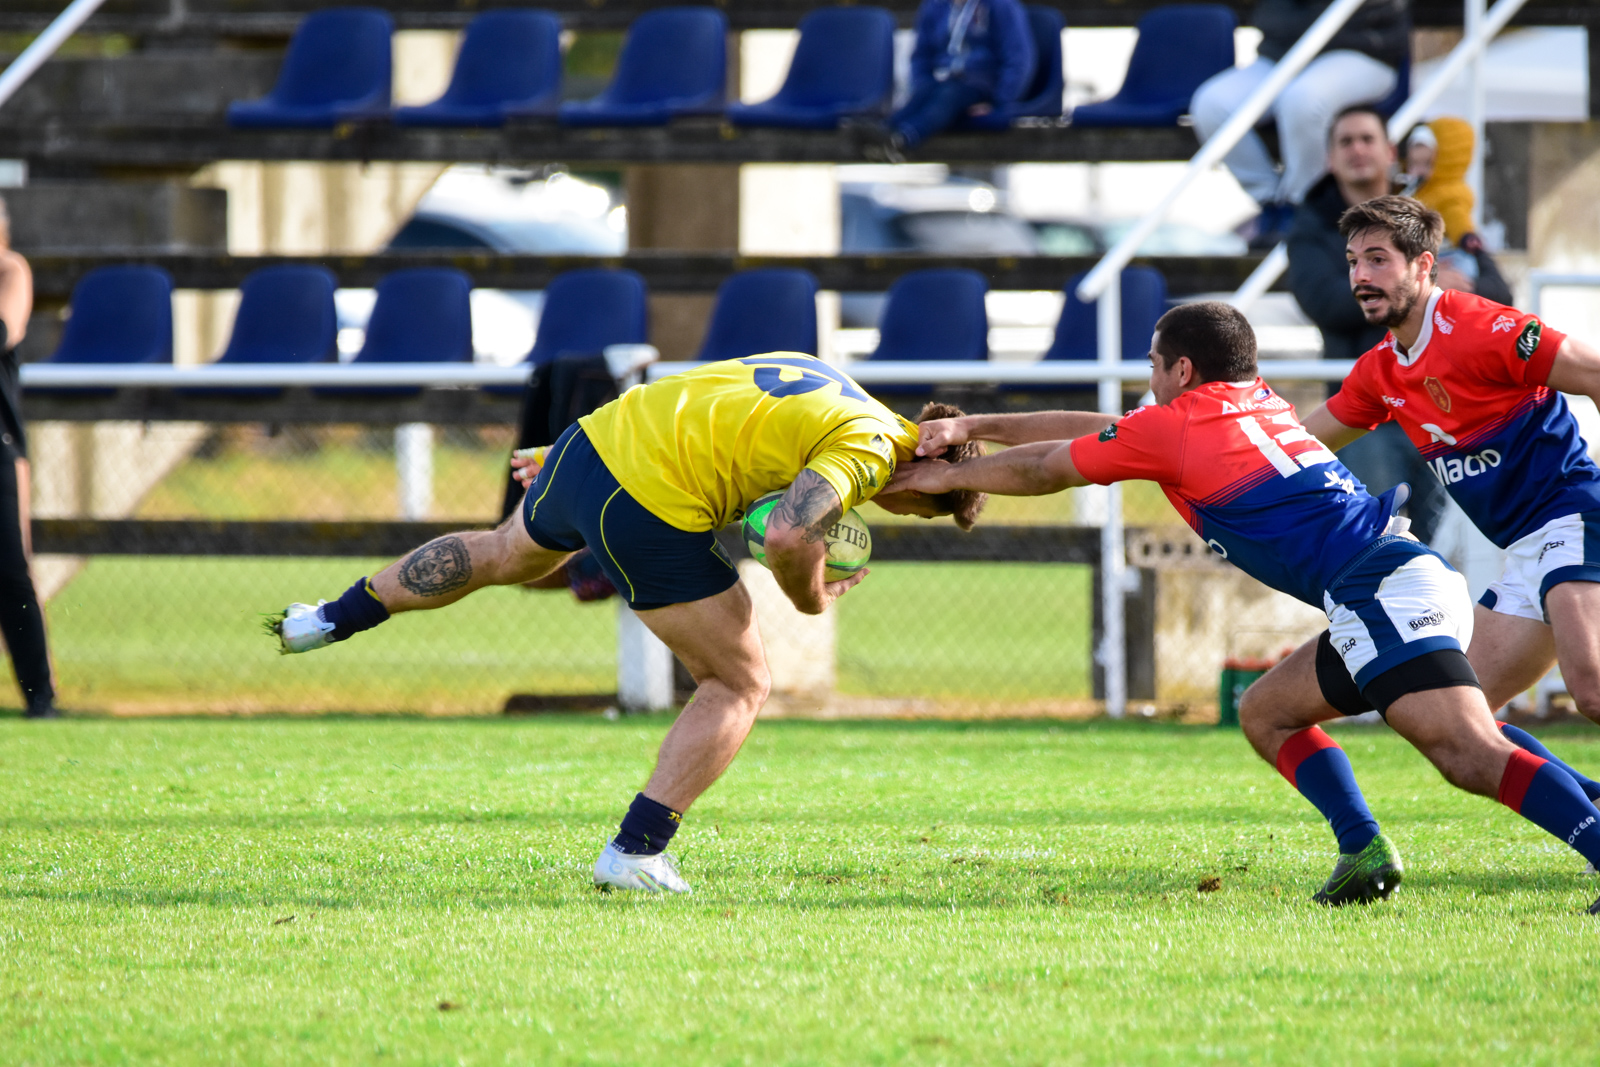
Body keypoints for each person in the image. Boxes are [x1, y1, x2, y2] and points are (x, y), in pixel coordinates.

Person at [890, 301, 1600, 910]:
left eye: (1152, 366)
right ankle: (1363, 848)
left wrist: (940, 477)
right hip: (1390, 579)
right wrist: (970, 427)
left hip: (1379, 586)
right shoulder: (1244, 405)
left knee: (1464, 750)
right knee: (1269, 710)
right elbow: (1097, 425)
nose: (1147, 381)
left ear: (1183, 372)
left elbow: (1050, 466)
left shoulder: (1174, 428)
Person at [271, 354, 986, 893]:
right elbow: (790, 541)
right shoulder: (872, 450)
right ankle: (637, 851)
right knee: (738, 681)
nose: (908, 504)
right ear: (930, 450)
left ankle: (327, 616)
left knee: (501, 552)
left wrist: (567, 454)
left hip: (591, 443)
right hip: (649, 498)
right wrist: (812, 598)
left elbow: (704, 398)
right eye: (928, 499)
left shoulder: (825, 377)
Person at [1300, 195, 1600, 806]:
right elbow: (1297, 446)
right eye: (1354, 261)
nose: (1361, 276)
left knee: (1591, 690)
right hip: (1526, 550)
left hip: (1573, 518)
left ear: (1423, 265)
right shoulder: (1382, 369)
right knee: (1462, 717)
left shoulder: (1483, 327)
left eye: (1379, 260)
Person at [1288, 105, 1449, 543]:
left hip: (1442, 411)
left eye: (1367, 139)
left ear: (1390, 151)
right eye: (1346, 141)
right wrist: (1422, 293)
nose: (1358, 149)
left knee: (1461, 561)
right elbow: (1325, 302)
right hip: (1364, 420)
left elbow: (1492, 289)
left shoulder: (1428, 209)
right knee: (1375, 552)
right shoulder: (1311, 226)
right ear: (1329, 159)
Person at [1190, 0, 1411, 248]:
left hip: (1364, 52)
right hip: (1283, 55)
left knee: (1301, 101)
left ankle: (1302, 209)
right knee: (1210, 104)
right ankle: (1272, 203)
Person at [0, 196, 57, 720]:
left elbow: (4, 330)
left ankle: (40, 698)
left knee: (11, 572)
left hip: (0, 446)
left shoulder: (9, 270)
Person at [872, 0, 1035, 157]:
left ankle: (906, 137)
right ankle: (881, 132)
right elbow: (921, 56)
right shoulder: (935, 5)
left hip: (981, 84)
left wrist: (999, 103)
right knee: (924, 94)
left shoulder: (1000, 5)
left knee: (948, 96)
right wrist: (922, 84)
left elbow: (1018, 59)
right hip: (941, 80)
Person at [1399, 117, 1514, 304]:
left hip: (1451, 256)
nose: (1418, 171)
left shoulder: (1449, 196)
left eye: (1426, 164)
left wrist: (1467, 238)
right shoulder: (1414, 193)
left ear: (1442, 160)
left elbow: (1458, 219)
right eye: (1414, 165)